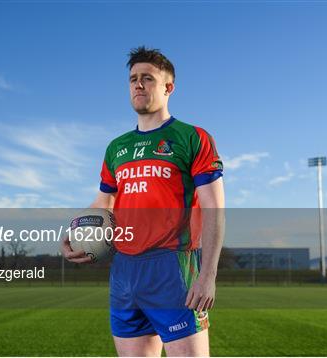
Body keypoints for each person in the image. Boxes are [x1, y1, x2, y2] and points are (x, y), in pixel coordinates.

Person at [63, 46, 225, 357]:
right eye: (133, 78)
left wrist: (208, 275)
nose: (138, 84)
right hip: (124, 271)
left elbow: (215, 210)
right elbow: (103, 204)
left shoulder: (192, 137)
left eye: (148, 78)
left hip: (174, 268)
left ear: (168, 87)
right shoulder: (116, 148)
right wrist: (76, 231)